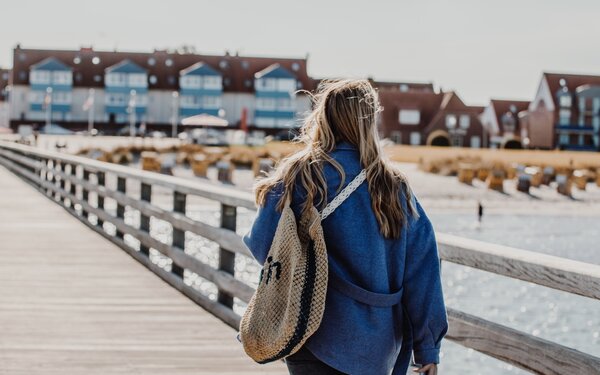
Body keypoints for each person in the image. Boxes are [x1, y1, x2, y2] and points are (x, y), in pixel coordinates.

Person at [242, 79, 448, 375]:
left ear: (324, 117)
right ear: (370, 121)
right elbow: (422, 271)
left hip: (305, 332)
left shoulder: (299, 175)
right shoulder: (392, 187)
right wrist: (427, 347)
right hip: (372, 342)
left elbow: (263, 246)